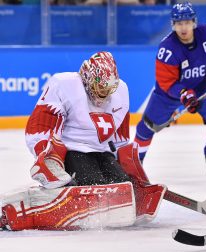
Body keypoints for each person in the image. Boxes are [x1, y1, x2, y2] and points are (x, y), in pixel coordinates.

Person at [0, 51, 166, 231]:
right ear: (87, 77)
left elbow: (120, 139)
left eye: (108, 88)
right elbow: (40, 126)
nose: (104, 93)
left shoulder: (121, 91)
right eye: (100, 87)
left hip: (101, 152)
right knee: (95, 185)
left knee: (123, 186)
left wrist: (133, 172)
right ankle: (41, 206)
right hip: (71, 151)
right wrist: (47, 157)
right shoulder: (65, 85)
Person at [134, 1, 206, 180]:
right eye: (179, 23)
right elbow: (166, 82)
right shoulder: (167, 49)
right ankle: (134, 167)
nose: (183, 27)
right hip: (168, 95)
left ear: (193, 22)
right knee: (146, 128)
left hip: (202, 87)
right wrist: (184, 93)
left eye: (186, 22)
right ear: (173, 25)